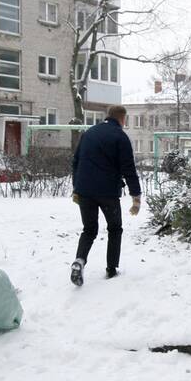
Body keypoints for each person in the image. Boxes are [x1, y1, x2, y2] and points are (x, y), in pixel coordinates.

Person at [70, 104, 142, 285]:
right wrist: (136, 197)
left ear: (108, 116)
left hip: (85, 191)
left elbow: (76, 162)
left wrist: (76, 188)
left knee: (89, 230)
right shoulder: (120, 137)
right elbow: (129, 168)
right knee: (115, 229)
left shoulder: (89, 133)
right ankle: (111, 269)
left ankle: (79, 261)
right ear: (122, 119)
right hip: (108, 193)